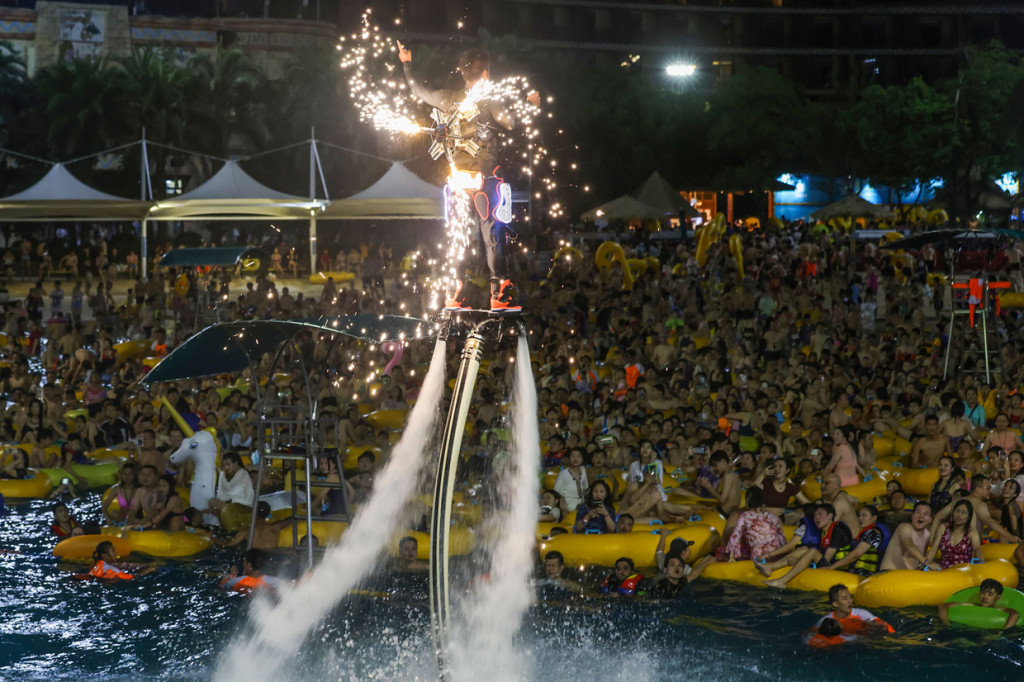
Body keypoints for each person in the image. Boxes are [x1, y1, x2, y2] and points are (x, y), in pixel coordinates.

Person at [399, 42, 538, 311]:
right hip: (486, 179)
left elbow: (418, 90)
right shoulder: (489, 101)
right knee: (493, 233)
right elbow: (511, 122)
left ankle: (454, 290)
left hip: (458, 179)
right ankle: (499, 291)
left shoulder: (449, 99)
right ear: (485, 74)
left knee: (458, 236)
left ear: (463, 75)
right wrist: (529, 104)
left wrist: (407, 64)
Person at [758, 503, 853, 588]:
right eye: (815, 515)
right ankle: (770, 567)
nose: (816, 517)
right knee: (804, 549)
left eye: (820, 514)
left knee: (812, 551)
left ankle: (782, 581)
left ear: (830, 516)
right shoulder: (824, 532)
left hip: (837, 569)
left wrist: (805, 564)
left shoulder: (837, 531)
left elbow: (827, 559)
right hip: (825, 563)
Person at [718, 486, 786, 562]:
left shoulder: (745, 516)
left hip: (758, 556)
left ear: (747, 501)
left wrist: (732, 557)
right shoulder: (772, 517)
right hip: (775, 554)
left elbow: (735, 537)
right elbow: (782, 538)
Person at [825, 505, 891, 577]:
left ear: (874, 518)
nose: (860, 518)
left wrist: (833, 566)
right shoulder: (865, 532)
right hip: (857, 573)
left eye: (864, 515)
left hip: (865, 575)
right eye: (859, 516)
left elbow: (856, 554)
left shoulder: (873, 533)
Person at [939, 578, 1020, 630]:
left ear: (998, 597)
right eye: (983, 592)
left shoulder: (999, 610)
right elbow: (943, 606)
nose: (985, 597)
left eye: (990, 594)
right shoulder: (973, 605)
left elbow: (1015, 615)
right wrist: (946, 624)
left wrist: (1002, 633)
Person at [813, 584, 894, 635]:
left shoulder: (861, 614)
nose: (850, 601)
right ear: (835, 604)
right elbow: (813, 634)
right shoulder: (827, 620)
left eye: (850, 597)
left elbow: (883, 625)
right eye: (845, 598)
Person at [880, 502, 940, 571]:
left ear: (930, 520)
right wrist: (927, 562)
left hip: (907, 577)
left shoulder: (927, 534)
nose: (921, 516)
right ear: (912, 515)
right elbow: (909, 546)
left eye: (925, 514)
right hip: (888, 574)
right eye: (918, 512)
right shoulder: (904, 527)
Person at [926, 498, 982, 569]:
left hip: (962, 572)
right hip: (944, 570)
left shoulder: (972, 532)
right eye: (957, 511)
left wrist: (978, 556)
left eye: (963, 512)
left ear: (968, 517)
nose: (959, 514)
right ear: (953, 513)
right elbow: (934, 548)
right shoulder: (943, 527)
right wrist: (925, 563)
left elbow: (977, 548)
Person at [206, 451, 255, 518]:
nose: (226, 467)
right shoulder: (228, 475)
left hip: (242, 505)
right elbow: (226, 489)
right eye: (224, 465)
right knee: (211, 502)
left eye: (228, 464)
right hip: (230, 503)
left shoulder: (244, 474)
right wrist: (221, 475)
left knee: (213, 504)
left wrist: (221, 475)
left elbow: (236, 493)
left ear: (236, 463)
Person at [553, 447, 588, 515]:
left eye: (578, 456)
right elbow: (556, 493)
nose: (575, 459)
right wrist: (563, 508)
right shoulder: (563, 474)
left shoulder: (583, 470)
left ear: (582, 459)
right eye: (573, 456)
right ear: (569, 458)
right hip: (567, 504)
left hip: (581, 503)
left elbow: (586, 488)